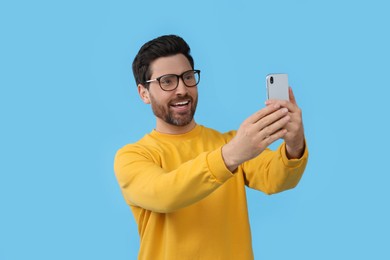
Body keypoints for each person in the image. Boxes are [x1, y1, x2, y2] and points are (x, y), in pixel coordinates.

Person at [114, 34, 308, 259]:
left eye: (187, 77)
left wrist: (295, 143)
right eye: (167, 81)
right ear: (144, 93)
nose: (182, 89)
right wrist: (231, 155)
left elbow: (278, 178)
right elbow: (164, 194)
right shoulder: (132, 157)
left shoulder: (229, 143)